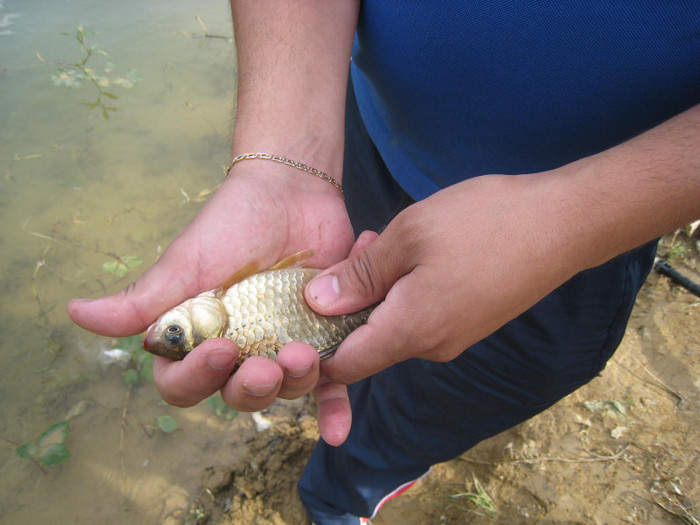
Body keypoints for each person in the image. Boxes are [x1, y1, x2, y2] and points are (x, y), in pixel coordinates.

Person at [69, 2, 700, 523]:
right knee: (365, 363)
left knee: (440, 402)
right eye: (181, 331)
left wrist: (568, 221)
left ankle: (347, 497)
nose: (176, 324)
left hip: (587, 231)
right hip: (355, 152)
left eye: (177, 330)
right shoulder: (279, 258)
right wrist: (283, 153)